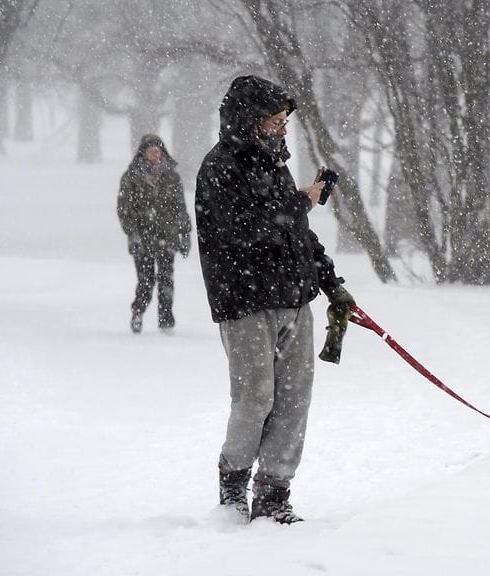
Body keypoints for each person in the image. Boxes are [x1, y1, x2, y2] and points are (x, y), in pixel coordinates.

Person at [195, 75, 355, 525]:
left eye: (285, 121)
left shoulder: (274, 164)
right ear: (249, 120)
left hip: (294, 299)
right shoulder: (219, 167)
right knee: (255, 400)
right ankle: (233, 486)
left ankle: (273, 494)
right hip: (244, 302)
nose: (283, 129)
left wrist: (331, 283)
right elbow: (242, 230)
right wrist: (302, 201)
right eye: (275, 121)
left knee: (293, 401)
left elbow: (296, 232)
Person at [117, 134, 192, 335]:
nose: (155, 154)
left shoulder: (172, 177)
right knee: (146, 280)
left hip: (168, 237)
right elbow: (124, 208)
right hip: (143, 238)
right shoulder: (131, 178)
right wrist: (132, 232)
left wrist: (185, 233)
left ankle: (166, 320)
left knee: (166, 280)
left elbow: (180, 207)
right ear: (143, 153)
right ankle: (138, 312)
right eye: (151, 150)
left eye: (157, 150)